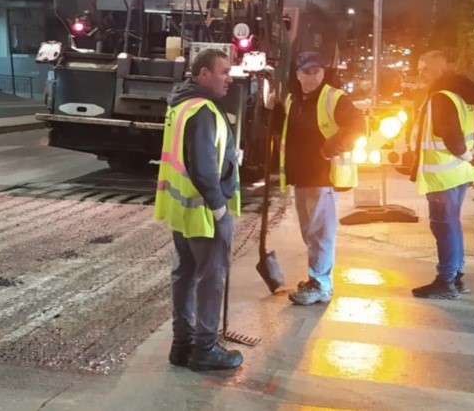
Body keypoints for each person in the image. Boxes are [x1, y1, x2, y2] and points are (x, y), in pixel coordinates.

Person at [154, 48, 243, 371]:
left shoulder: (180, 104)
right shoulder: (203, 110)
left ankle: (182, 345)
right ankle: (205, 348)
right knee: (211, 277)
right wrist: (219, 208)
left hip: (182, 210)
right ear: (203, 74)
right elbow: (203, 167)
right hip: (203, 212)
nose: (229, 78)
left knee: (185, 273)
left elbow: (192, 153)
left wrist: (230, 157)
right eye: (223, 72)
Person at [267, 51, 366, 306]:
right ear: (297, 74)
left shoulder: (334, 97)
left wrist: (330, 149)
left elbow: (358, 126)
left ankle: (321, 284)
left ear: (323, 72)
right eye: (306, 72)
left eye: (317, 72)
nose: (312, 77)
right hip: (301, 176)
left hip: (323, 175)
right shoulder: (293, 99)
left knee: (321, 233)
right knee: (310, 233)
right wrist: (274, 113)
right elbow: (287, 131)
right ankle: (316, 279)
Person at [408, 50, 474, 300]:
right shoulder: (460, 95)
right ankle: (455, 277)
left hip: (443, 175)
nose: (421, 74)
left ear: (441, 70)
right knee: (452, 225)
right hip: (456, 173)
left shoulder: (442, 96)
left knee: (444, 226)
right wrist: (473, 156)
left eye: (425, 69)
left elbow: (451, 135)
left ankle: (446, 281)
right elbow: (467, 132)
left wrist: (468, 156)